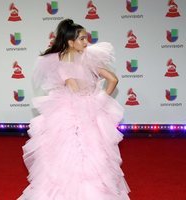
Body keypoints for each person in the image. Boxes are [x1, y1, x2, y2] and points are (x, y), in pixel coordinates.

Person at [18, 19, 130, 200]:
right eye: (83, 39)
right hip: (88, 112)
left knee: (69, 154)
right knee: (93, 153)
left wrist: (86, 101)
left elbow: (73, 89)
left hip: (69, 112)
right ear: (71, 42)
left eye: (86, 38)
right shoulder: (89, 59)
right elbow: (113, 80)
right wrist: (100, 99)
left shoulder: (59, 61)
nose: (87, 42)